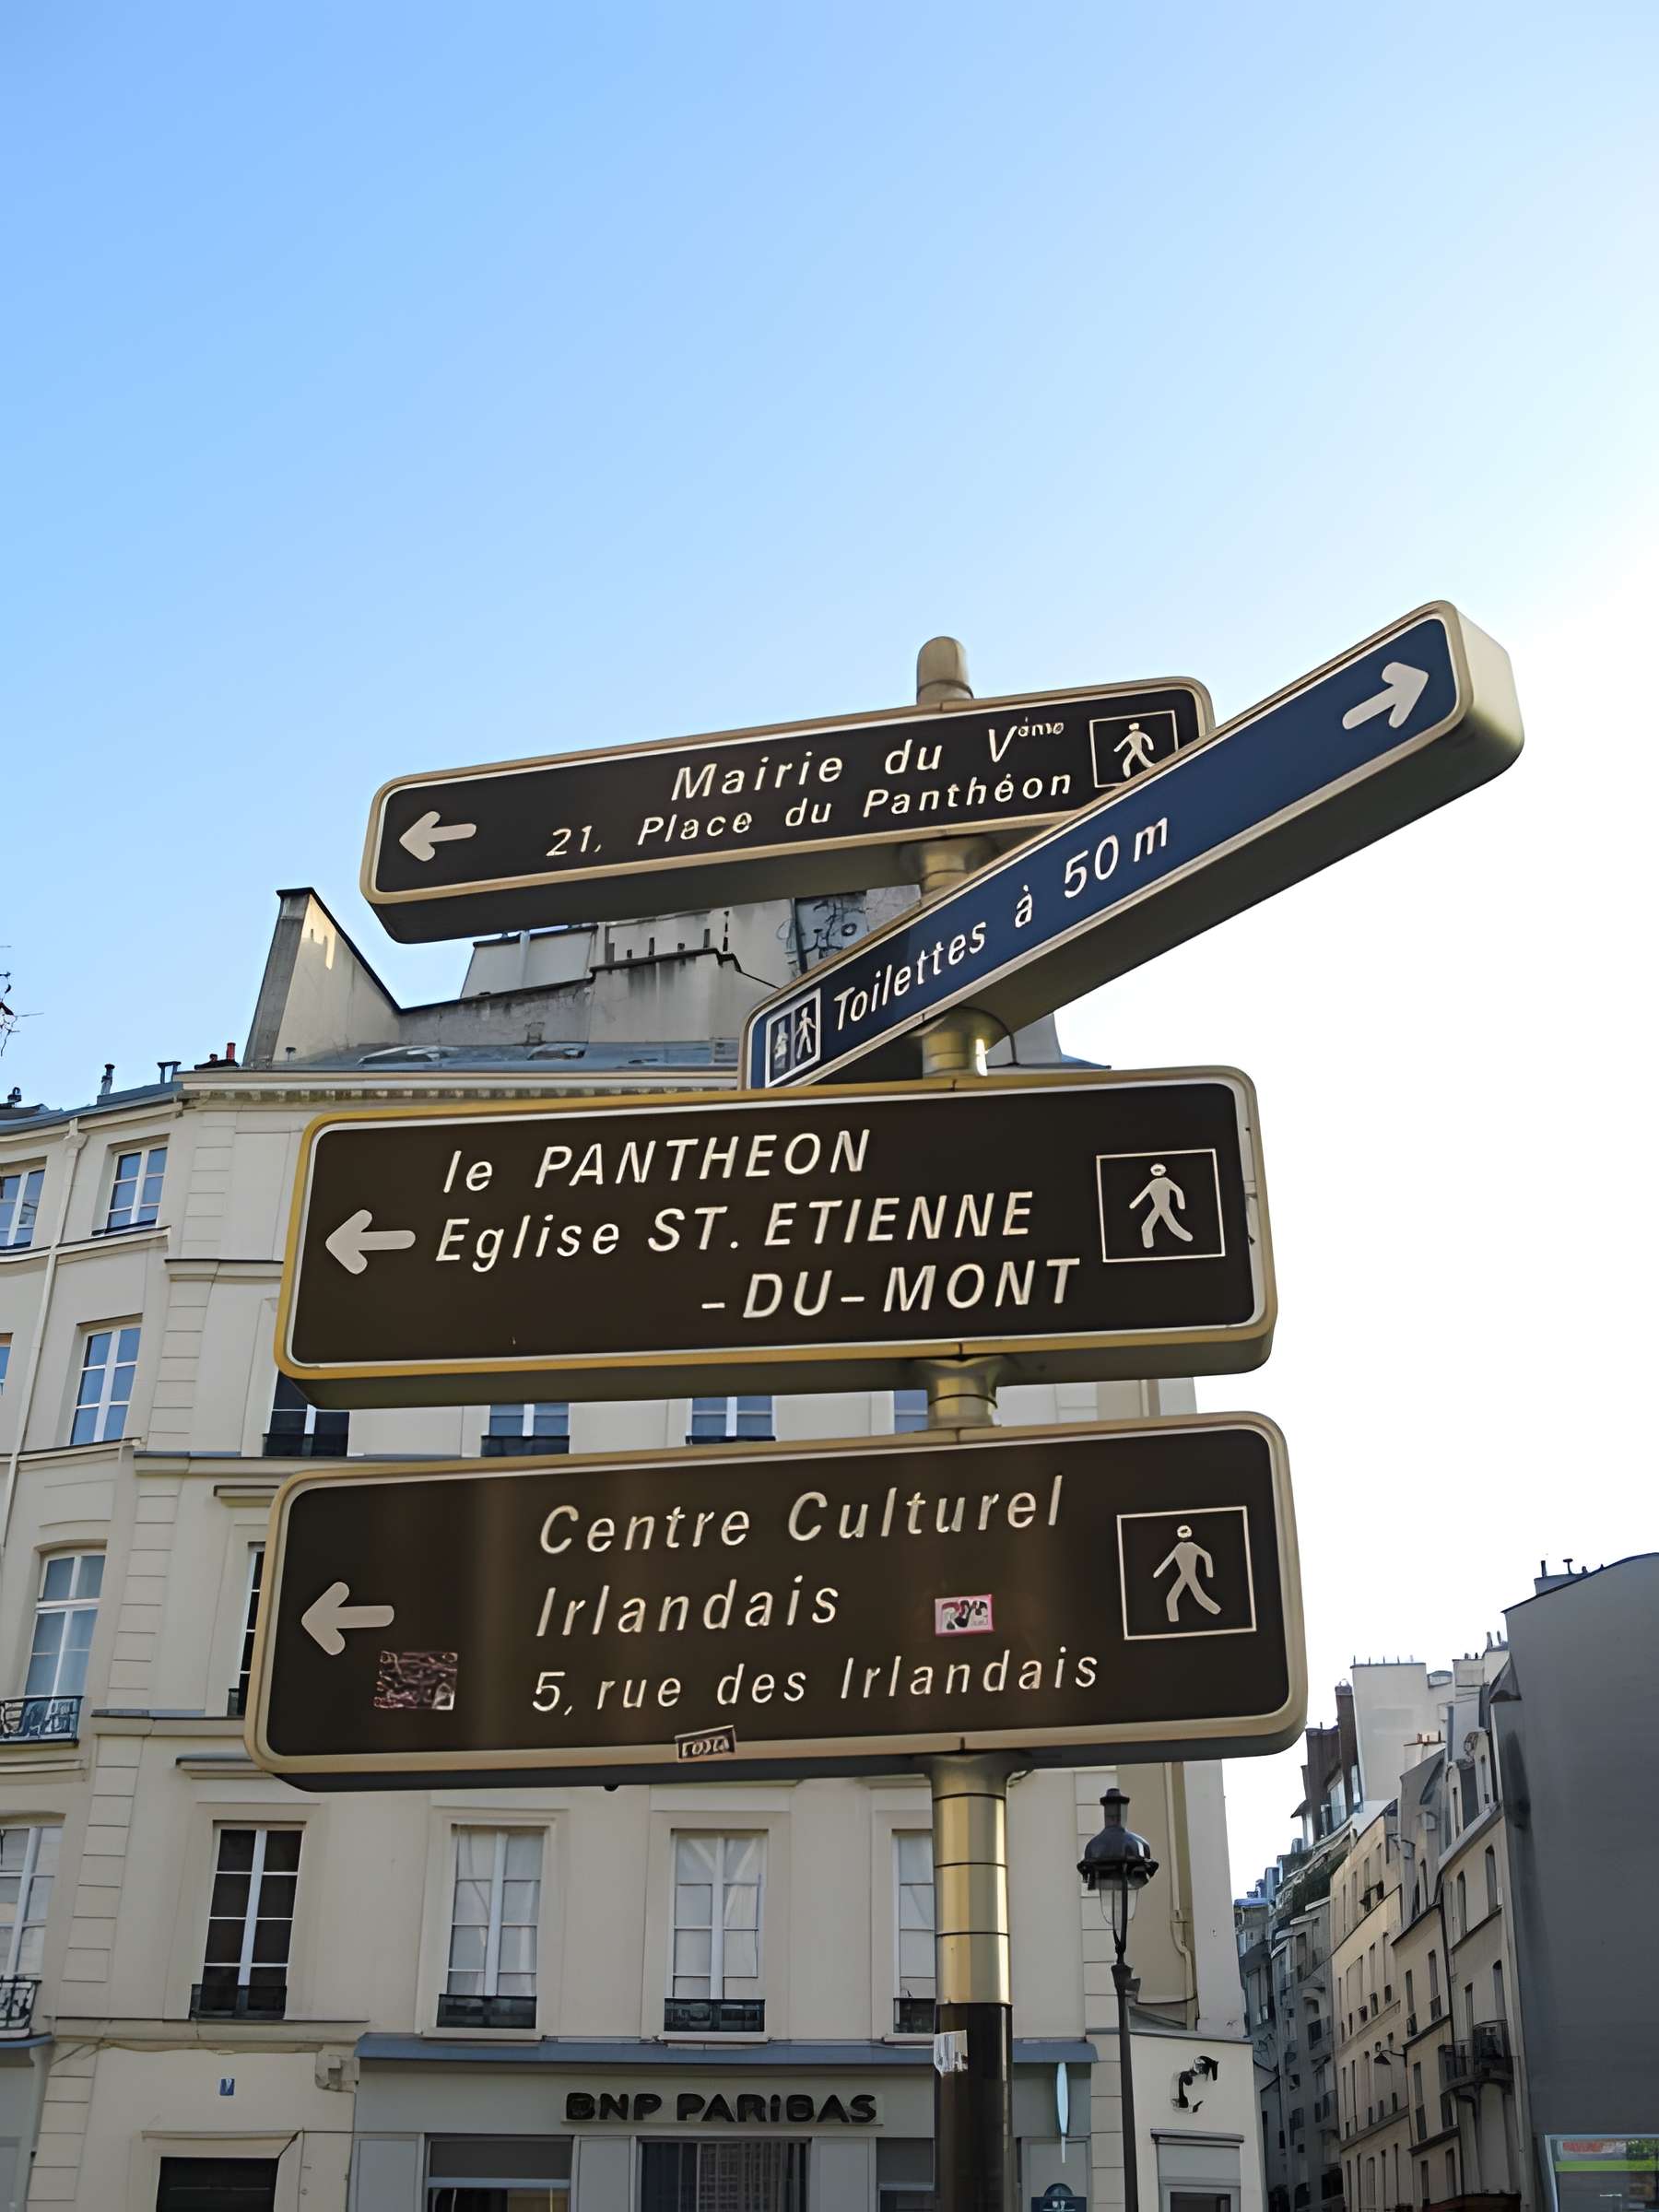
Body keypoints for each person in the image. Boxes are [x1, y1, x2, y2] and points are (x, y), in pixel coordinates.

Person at [1154, 1524, 1222, 1621]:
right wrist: (1209, 1573)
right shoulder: (1185, 1547)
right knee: (1172, 1598)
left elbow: (1167, 1561)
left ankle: (1217, 1610)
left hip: (1189, 1576)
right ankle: (1174, 1620)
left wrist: (1157, 1573)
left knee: (1173, 1598)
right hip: (1184, 1576)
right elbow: (1207, 1555)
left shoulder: (1184, 1547)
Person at [1129, 1161, 1193, 1248]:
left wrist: (1181, 1204)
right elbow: (1142, 1195)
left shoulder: (1165, 1181)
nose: (1158, 1172)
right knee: (1146, 1227)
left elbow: (1178, 1191)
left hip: (1164, 1207)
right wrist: (1133, 1204)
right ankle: (1148, 1244)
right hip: (1157, 1208)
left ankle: (1188, 1237)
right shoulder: (1153, 1183)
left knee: (1172, 1226)